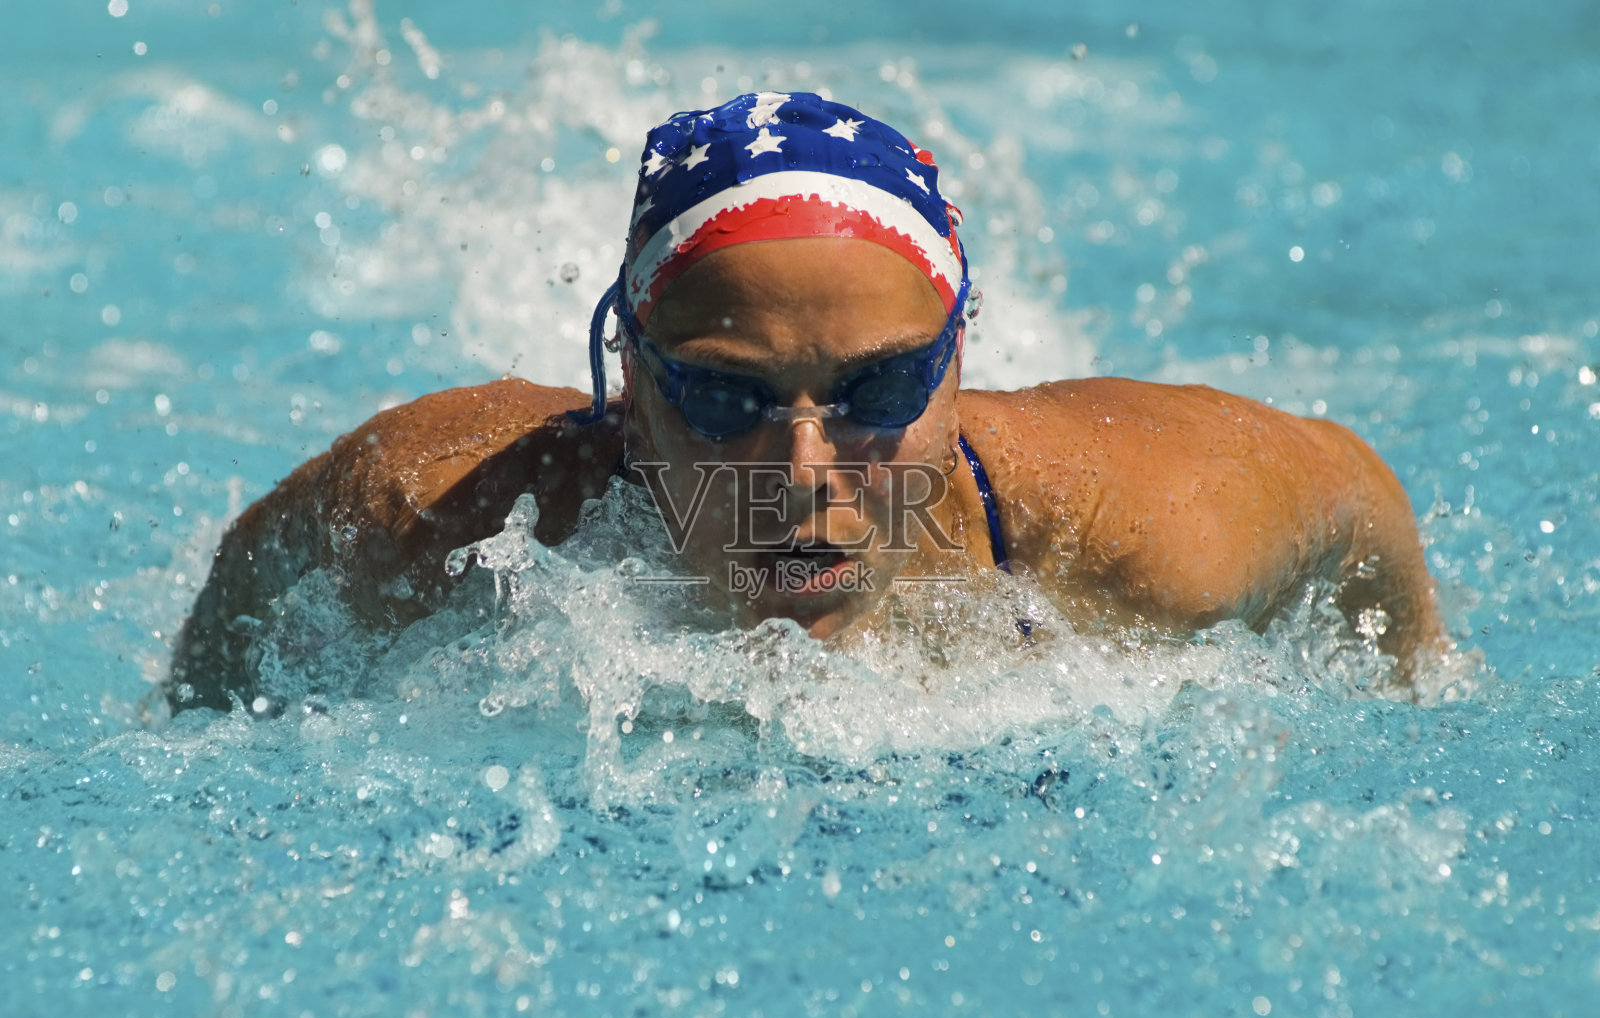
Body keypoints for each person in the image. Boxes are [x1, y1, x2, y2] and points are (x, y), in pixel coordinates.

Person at [166, 91, 1449, 714]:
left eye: (878, 388)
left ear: (956, 363)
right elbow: (212, 693)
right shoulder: (425, 517)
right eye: (725, 398)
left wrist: (1408, 692)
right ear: (629, 381)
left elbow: (1356, 498)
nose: (802, 476)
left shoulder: (1148, 532)